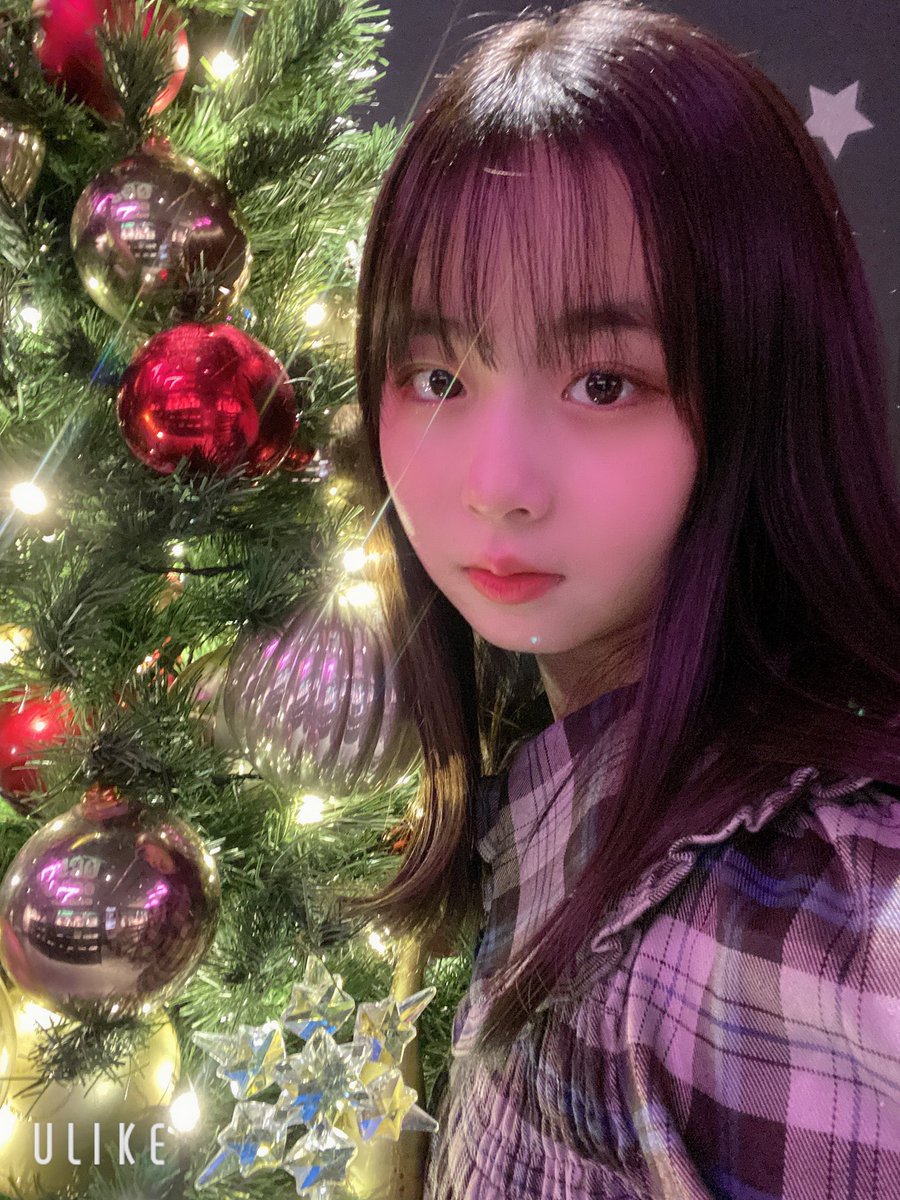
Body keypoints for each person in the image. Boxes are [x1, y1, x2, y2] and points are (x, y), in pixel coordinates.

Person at [349, 1, 900, 1195]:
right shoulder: (552, 776)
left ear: (766, 386)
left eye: (604, 382)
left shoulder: (793, 925)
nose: (495, 485)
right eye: (436, 375)